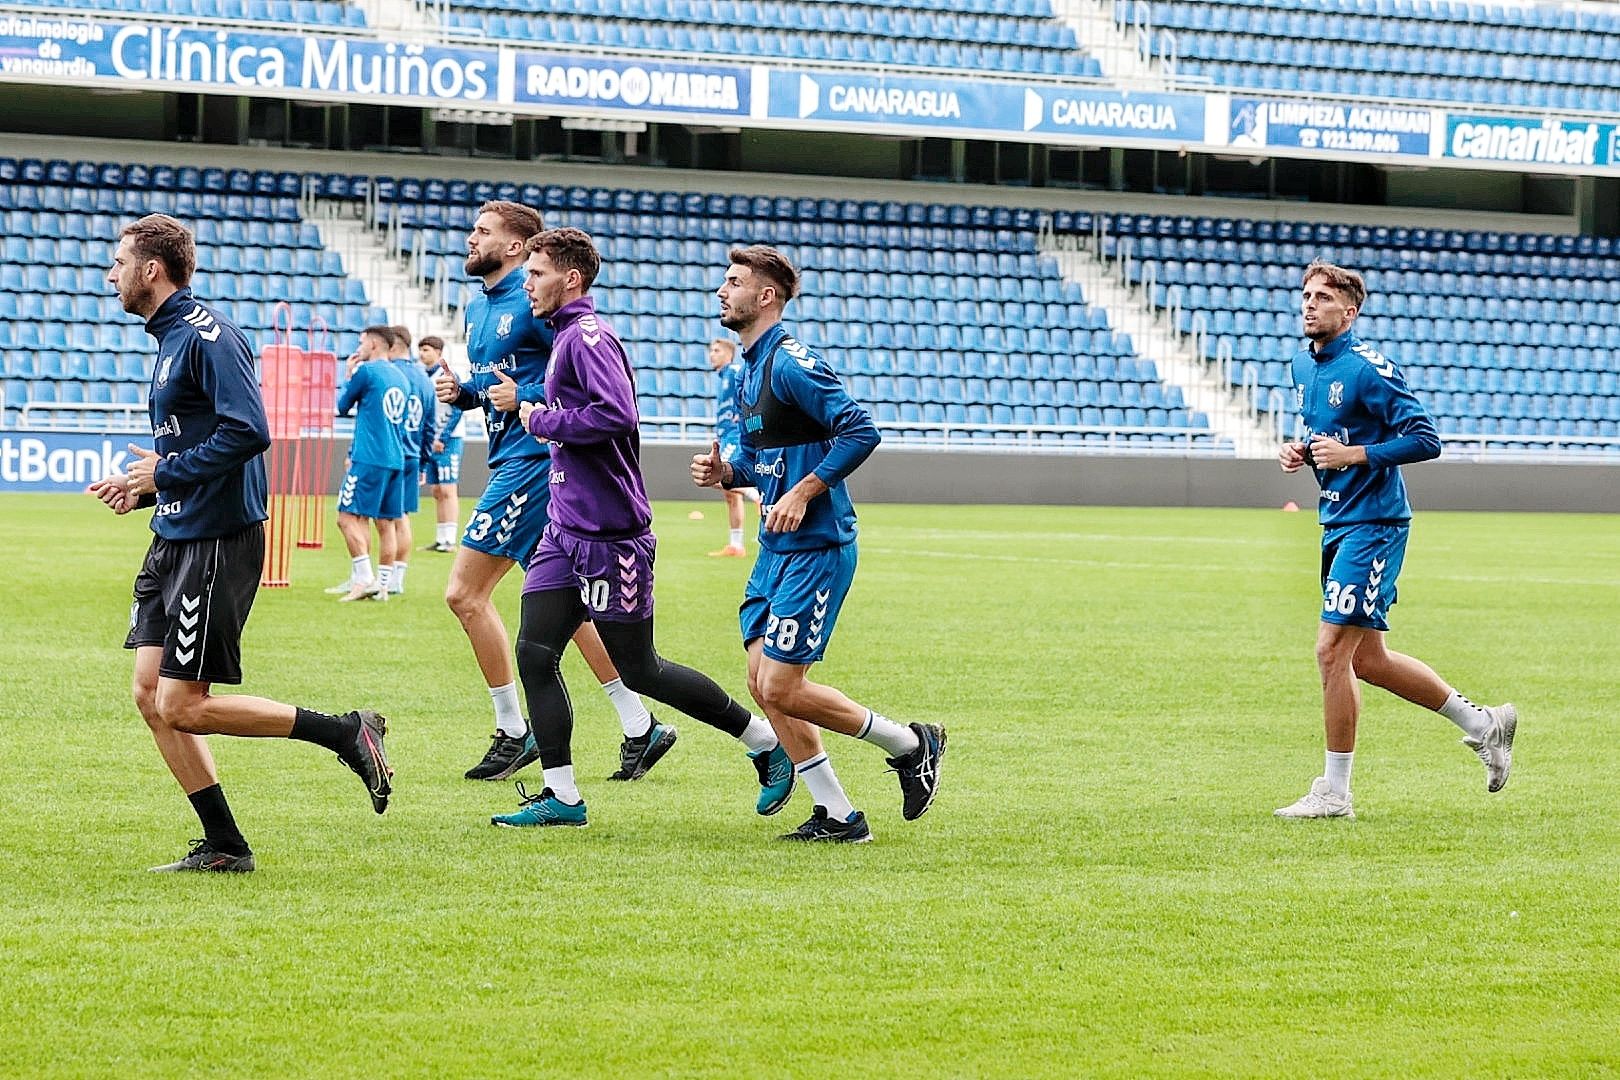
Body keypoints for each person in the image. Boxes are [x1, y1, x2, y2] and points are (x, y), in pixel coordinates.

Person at [89, 213, 391, 873]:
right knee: (150, 694)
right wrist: (145, 488)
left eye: (119, 261)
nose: (110, 273)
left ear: (150, 269)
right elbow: (203, 442)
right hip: (174, 530)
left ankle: (346, 732)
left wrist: (164, 471)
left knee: (182, 704)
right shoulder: (169, 338)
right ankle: (225, 844)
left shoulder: (208, 336)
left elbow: (249, 431)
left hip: (217, 541)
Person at [491, 227, 794, 829]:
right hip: (564, 528)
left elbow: (615, 414)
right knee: (533, 651)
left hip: (610, 534)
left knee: (640, 669)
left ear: (570, 279)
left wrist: (539, 418)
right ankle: (563, 796)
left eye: (536, 273)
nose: (526, 284)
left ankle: (763, 741)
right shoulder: (563, 339)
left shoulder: (586, 337)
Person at [691, 246, 945, 843]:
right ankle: (837, 814)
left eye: (734, 283)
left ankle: (911, 744)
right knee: (761, 681)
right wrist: (728, 474)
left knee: (781, 685)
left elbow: (862, 429)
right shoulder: (748, 368)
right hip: (775, 549)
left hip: (818, 545)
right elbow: (763, 462)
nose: (722, 292)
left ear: (766, 297)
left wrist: (805, 491)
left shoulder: (791, 362)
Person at [434, 201, 669, 783]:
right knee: (568, 602)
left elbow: (566, 374)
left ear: (517, 247)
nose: (471, 238)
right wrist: (465, 392)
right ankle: (638, 723)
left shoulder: (537, 301)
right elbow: (504, 380)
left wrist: (526, 401)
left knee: (465, 594)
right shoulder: (476, 305)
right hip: (512, 456)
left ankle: (514, 729)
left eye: (483, 232)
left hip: (536, 462)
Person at [1275, 259, 1517, 819]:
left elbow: (1426, 438)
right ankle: (1485, 725)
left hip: (1375, 523)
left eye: (1323, 298)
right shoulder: (1301, 364)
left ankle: (1335, 793)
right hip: (1336, 519)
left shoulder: (1369, 369)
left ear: (1350, 312)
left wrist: (1356, 455)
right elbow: (1327, 435)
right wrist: (1302, 451)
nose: (1310, 304)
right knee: (1369, 661)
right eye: (1306, 295)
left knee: (1331, 651)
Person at [331, 325, 409, 602]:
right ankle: (383, 586)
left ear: (374, 345)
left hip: (370, 457)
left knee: (346, 518)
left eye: (362, 342)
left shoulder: (366, 371)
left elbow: (342, 406)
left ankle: (364, 578)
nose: (358, 347)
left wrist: (348, 375)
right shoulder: (401, 377)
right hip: (395, 458)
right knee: (386, 523)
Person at [386, 324, 438, 594]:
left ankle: (374, 577)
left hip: (389, 453)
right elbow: (430, 425)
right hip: (412, 454)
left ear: (393, 346)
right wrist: (424, 461)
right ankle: (397, 578)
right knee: (402, 517)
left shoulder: (388, 373)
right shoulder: (424, 379)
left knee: (382, 518)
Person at [705, 336, 758, 558]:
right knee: (730, 495)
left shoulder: (735, 370)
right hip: (726, 436)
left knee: (717, 477)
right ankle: (736, 545)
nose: (712, 354)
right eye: (711, 350)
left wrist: (747, 418)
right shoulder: (723, 377)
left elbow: (754, 388)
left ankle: (756, 494)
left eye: (716, 350)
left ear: (728, 354)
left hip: (736, 437)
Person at [418, 334, 462, 553]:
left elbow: (457, 409)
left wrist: (442, 438)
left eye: (426, 349)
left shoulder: (447, 375)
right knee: (436, 489)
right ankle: (441, 537)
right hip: (430, 440)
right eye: (421, 349)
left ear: (438, 352)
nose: (422, 354)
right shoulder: (422, 375)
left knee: (448, 488)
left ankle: (450, 540)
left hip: (448, 440)